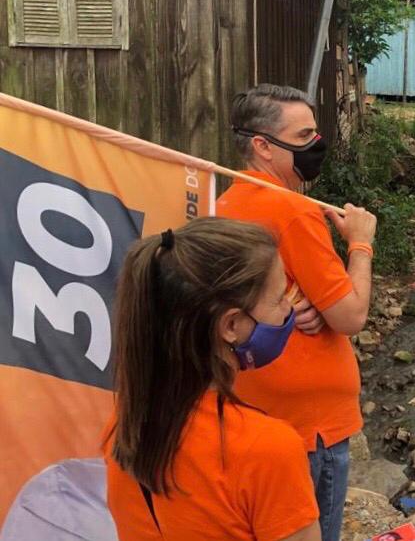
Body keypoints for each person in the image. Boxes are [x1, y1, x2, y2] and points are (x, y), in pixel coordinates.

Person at [217, 83, 377, 541]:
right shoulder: (293, 211)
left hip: (252, 409)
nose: (316, 145)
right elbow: (350, 316)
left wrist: (294, 307)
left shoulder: (226, 205)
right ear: (263, 146)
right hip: (311, 427)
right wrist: (361, 243)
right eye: (304, 136)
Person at [105, 218, 320, 541]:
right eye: (278, 298)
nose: (288, 309)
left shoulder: (127, 424)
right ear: (231, 325)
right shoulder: (266, 450)